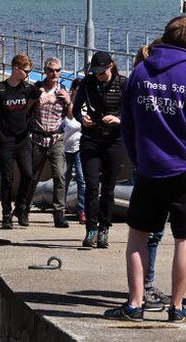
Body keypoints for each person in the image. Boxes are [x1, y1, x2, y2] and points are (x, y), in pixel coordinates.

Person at [104, 16, 186, 323]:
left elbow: (127, 125)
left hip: (150, 169)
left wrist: (138, 159)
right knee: (185, 237)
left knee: (138, 235)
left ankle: (135, 303)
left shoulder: (140, 73)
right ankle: (178, 306)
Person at [73, 50, 128, 248]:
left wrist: (119, 119)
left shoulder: (123, 83)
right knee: (91, 186)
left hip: (114, 140)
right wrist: (82, 119)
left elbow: (132, 110)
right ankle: (91, 229)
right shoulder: (87, 83)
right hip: (91, 139)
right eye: (95, 72)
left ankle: (105, 228)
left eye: (102, 72)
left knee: (108, 188)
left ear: (110, 67)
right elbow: (75, 108)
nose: (99, 76)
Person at [0, 54, 41, 230]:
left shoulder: (27, 88)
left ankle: (21, 207)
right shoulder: (0, 90)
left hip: (23, 140)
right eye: (26, 71)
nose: (28, 74)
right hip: (5, 141)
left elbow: (42, 97)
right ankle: (6, 214)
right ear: (16, 69)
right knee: (7, 179)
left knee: (28, 174)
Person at [22, 57, 71, 228]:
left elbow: (71, 116)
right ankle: (24, 209)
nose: (54, 74)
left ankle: (59, 213)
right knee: (33, 176)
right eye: (51, 70)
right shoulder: (36, 89)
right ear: (45, 71)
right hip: (38, 137)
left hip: (57, 137)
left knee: (59, 175)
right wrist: (35, 99)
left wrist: (68, 101)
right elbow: (25, 110)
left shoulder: (63, 90)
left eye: (57, 70)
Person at [63, 78, 86, 224]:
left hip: (79, 146)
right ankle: (61, 206)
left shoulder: (85, 105)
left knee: (81, 178)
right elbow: (70, 117)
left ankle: (81, 209)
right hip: (64, 146)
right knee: (63, 178)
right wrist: (70, 101)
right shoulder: (66, 104)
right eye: (77, 89)